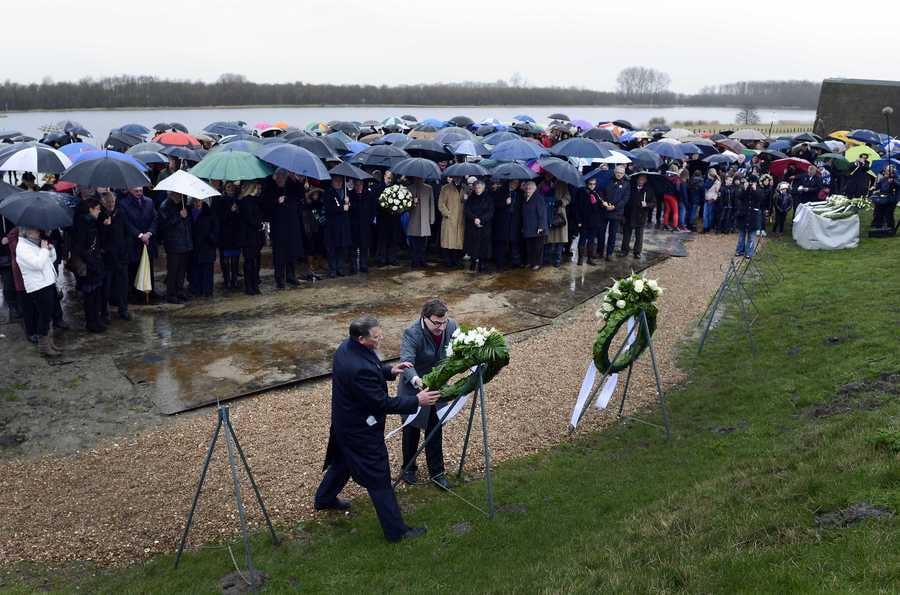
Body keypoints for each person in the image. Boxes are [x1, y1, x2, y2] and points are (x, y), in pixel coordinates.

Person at [314, 315, 441, 542]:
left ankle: (324, 499)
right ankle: (397, 532)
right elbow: (381, 403)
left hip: (345, 424)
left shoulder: (346, 348)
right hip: (360, 430)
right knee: (379, 478)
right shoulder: (357, 367)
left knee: (343, 461)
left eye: (379, 334)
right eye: (376, 337)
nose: (380, 339)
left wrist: (389, 371)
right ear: (361, 338)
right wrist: (417, 401)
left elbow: (370, 367)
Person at [399, 299, 459, 488]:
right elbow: (407, 362)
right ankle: (408, 467)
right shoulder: (412, 333)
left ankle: (437, 472)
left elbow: (459, 349)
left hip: (438, 388)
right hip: (413, 388)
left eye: (444, 322)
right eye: (436, 323)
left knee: (435, 428)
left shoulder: (452, 326)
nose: (441, 327)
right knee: (411, 429)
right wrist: (417, 381)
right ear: (425, 318)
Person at [15, 227, 60, 357]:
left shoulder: (35, 244)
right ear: (27, 232)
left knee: (48, 314)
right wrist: (44, 250)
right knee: (44, 316)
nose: (39, 232)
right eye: (35, 230)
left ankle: (49, 342)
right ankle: (44, 346)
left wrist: (50, 250)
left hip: (47, 282)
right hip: (38, 286)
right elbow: (38, 264)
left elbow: (50, 261)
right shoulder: (22, 248)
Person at [70, 198, 107, 332]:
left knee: (96, 295)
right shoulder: (84, 223)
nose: (99, 211)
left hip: (94, 263)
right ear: (91, 209)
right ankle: (91, 322)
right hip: (89, 265)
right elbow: (80, 247)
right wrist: (91, 260)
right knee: (90, 297)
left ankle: (96, 320)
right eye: (97, 209)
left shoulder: (91, 222)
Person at [265, 168, 303, 288]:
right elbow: (266, 205)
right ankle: (279, 278)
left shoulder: (292, 185)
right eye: (279, 176)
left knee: (291, 251)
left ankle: (291, 275)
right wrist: (277, 201)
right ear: (276, 176)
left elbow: (300, 195)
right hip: (278, 226)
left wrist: (296, 180)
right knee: (279, 254)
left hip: (291, 224)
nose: (281, 179)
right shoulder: (270, 186)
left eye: (283, 176)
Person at [119, 186, 158, 302]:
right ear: (130, 190)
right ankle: (135, 294)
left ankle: (149, 292)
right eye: (136, 191)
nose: (139, 193)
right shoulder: (123, 204)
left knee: (149, 267)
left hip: (148, 241)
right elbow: (127, 223)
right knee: (134, 269)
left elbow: (155, 218)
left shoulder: (149, 202)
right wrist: (140, 235)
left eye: (141, 191)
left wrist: (149, 233)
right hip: (133, 242)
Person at [98, 191, 131, 321]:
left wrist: (126, 248)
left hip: (121, 256)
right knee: (106, 286)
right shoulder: (100, 216)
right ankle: (105, 312)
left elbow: (127, 231)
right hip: (107, 258)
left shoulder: (121, 213)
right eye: (108, 202)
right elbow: (99, 237)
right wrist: (105, 226)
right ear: (103, 203)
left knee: (123, 285)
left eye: (112, 202)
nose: (111, 204)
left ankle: (123, 309)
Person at [158, 191, 193, 303]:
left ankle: (179, 290)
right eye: (178, 194)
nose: (180, 195)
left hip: (185, 242)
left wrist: (186, 215)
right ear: (172, 193)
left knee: (182, 269)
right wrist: (179, 216)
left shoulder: (183, 204)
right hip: (173, 243)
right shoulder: (165, 206)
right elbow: (164, 225)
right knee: (173, 270)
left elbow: (188, 223)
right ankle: (171, 293)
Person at [212, 181, 242, 290]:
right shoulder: (220, 200)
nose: (231, 189)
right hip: (224, 234)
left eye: (232, 187)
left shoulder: (238, 199)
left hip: (235, 234)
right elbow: (219, 217)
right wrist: (230, 211)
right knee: (225, 259)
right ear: (225, 188)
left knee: (235, 258)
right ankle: (227, 280)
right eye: (229, 187)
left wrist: (237, 211)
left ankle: (234, 280)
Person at [322, 175, 353, 277]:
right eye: (336, 181)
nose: (339, 183)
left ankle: (340, 268)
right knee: (332, 248)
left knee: (342, 247)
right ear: (332, 182)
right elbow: (328, 208)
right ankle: (333, 269)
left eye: (340, 181)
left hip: (343, 225)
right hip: (332, 225)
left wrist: (348, 204)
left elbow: (348, 209)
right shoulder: (328, 192)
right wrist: (341, 208)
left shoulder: (345, 192)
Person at [237, 182, 264, 295]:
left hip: (252, 236)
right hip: (249, 236)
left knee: (252, 261)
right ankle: (250, 286)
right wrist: (259, 224)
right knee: (250, 261)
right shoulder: (246, 201)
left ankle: (253, 285)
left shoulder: (249, 201)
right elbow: (251, 219)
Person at [188, 197, 218, 298]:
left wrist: (211, 238)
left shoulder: (210, 213)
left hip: (207, 247)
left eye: (199, 201)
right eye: (195, 201)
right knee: (196, 270)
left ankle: (207, 291)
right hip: (195, 248)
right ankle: (197, 290)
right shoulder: (189, 212)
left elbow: (216, 229)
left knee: (208, 270)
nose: (197, 203)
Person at [620, 174, 654, 259]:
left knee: (639, 235)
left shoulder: (649, 190)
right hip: (629, 214)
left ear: (645, 181)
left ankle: (637, 252)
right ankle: (624, 250)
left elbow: (653, 203)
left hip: (641, 215)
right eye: (639, 179)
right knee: (626, 234)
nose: (641, 181)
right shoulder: (631, 188)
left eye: (643, 179)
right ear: (637, 180)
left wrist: (647, 204)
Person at [463, 178, 493, 272]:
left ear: (483, 188)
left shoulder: (488, 198)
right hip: (472, 225)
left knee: (483, 246)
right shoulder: (471, 198)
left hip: (484, 226)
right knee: (472, 245)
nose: (477, 189)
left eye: (479, 188)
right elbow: (467, 210)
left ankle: (482, 264)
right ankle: (472, 262)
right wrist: (474, 218)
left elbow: (490, 212)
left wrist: (481, 220)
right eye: (476, 188)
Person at [601, 166, 629, 261]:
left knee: (612, 234)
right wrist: (605, 204)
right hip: (605, 210)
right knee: (601, 232)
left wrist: (614, 207)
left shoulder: (626, 184)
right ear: (614, 172)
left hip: (617, 213)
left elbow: (625, 199)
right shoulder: (608, 181)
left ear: (624, 173)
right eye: (617, 172)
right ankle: (599, 251)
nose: (619, 174)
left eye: (621, 173)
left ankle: (609, 253)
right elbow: (603, 193)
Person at [491, 179, 521, 269]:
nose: (516, 184)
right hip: (502, 222)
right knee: (501, 242)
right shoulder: (500, 191)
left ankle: (514, 262)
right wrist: (505, 202)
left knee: (513, 242)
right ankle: (500, 262)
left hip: (514, 222)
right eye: (515, 183)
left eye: (517, 183)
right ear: (510, 182)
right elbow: (495, 204)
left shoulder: (518, 193)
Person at [375, 171, 403, 266]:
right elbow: (376, 203)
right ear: (384, 177)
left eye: (391, 178)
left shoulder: (396, 188)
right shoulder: (378, 188)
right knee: (382, 240)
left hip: (394, 218)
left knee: (393, 239)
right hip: (383, 218)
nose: (390, 180)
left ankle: (392, 258)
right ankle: (381, 259)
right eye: (388, 178)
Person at [406, 177, 434, 269]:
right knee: (413, 241)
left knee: (423, 242)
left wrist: (431, 218)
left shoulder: (428, 188)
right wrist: (412, 203)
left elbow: (431, 204)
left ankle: (422, 259)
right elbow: (405, 206)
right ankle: (415, 260)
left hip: (425, 219)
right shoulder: (409, 188)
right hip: (414, 218)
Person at [348, 177, 376, 273]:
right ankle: (354, 266)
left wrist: (369, 220)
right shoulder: (350, 195)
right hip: (353, 224)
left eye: (360, 184)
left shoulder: (369, 194)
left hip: (365, 225)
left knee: (364, 246)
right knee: (353, 247)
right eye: (356, 184)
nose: (358, 186)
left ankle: (364, 265)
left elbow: (373, 209)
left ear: (363, 184)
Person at [437, 176, 466, 267]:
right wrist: (448, 214)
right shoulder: (445, 188)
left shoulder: (465, 188)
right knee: (448, 240)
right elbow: (441, 204)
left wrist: (466, 199)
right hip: (449, 219)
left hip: (461, 219)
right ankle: (448, 260)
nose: (458, 178)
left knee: (458, 241)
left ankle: (456, 260)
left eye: (459, 176)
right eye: (456, 176)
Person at [575, 177, 604, 265]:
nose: (592, 186)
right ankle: (580, 258)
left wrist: (596, 203)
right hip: (584, 221)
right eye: (590, 184)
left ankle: (590, 258)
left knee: (591, 240)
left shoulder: (597, 193)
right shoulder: (581, 192)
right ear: (587, 184)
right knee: (582, 240)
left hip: (594, 221)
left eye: (594, 184)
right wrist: (578, 220)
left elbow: (599, 209)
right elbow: (577, 207)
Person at [520, 180, 548, 270]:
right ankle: (530, 262)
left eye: (530, 188)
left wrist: (541, 227)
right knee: (529, 247)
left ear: (534, 189)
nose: (528, 190)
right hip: (528, 228)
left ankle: (537, 264)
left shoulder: (538, 198)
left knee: (538, 248)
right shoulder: (525, 198)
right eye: (527, 188)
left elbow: (542, 214)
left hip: (537, 228)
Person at [735, 176, 763, 258]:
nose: (751, 184)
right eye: (750, 182)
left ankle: (749, 252)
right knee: (741, 236)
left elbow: (760, 199)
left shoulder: (759, 190)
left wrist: (755, 190)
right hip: (743, 215)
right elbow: (739, 197)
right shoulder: (744, 189)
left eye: (753, 182)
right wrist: (744, 189)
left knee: (751, 237)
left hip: (753, 217)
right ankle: (739, 250)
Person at [544, 180, 570, 268]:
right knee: (547, 238)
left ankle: (557, 260)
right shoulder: (543, 183)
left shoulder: (563, 184)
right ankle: (547, 259)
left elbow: (568, 198)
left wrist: (561, 202)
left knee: (560, 239)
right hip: (547, 213)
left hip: (559, 215)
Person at [872, 165, 899, 230]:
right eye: (886, 170)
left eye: (889, 170)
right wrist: (874, 187)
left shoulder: (896, 178)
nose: (887, 172)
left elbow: (898, 184)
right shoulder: (883, 178)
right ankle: (878, 224)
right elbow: (878, 185)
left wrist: (893, 181)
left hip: (892, 198)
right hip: (882, 197)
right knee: (879, 211)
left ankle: (890, 226)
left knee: (889, 213)